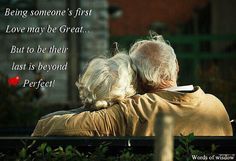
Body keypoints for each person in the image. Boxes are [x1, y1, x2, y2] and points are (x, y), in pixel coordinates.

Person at [32, 34, 233, 136]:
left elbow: (60, 127)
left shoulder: (135, 110)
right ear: (177, 67)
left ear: (139, 78)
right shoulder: (216, 106)